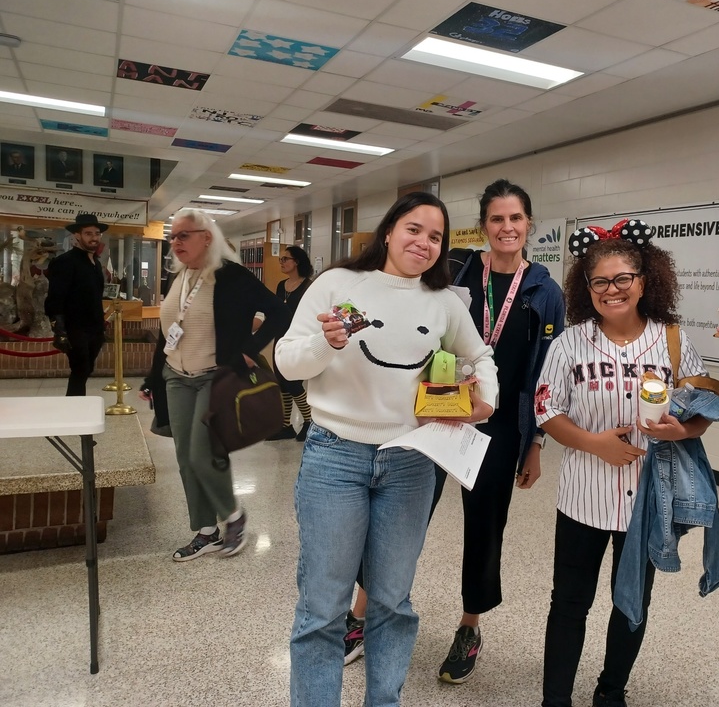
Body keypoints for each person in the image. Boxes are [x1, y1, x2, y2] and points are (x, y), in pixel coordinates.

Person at [275, 191, 499, 707]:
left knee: (393, 602)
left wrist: (483, 401)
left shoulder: (443, 301)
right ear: (390, 229)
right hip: (335, 457)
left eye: (436, 237)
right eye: (414, 229)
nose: (423, 243)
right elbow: (287, 362)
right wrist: (326, 344)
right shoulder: (336, 285)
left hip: (411, 464)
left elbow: (480, 355)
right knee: (323, 608)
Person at [534, 219, 712, 707]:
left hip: (648, 499)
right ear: (585, 287)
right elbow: (546, 409)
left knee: (631, 603)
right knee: (569, 604)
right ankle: (556, 698)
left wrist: (684, 428)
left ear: (643, 282)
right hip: (582, 497)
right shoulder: (570, 343)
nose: (612, 290)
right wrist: (595, 443)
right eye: (600, 281)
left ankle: (611, 691)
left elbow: (703, 410)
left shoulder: (673, 341)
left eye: (622, 280)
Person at [423, 178, 565, 684]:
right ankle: (365, 609)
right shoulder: (455, 270)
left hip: (501, 428)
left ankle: (469, 625)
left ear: (529, 224)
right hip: (437, 408)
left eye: (516, 219)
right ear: (484, 226)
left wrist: (536, 444)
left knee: (484, 528)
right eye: (497, 219)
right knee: (404, 512)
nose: (507, 228)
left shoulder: (545, 292)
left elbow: (548, 373)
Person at [144, 208, 288, 562]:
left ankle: (234, 515)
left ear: (206, 237)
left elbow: (278, 311)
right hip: (176, 377)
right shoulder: (178, 277)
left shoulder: (230, 276)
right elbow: (170, 334)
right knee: (184, 457)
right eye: (172, 237)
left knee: (202, 453)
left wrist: (249, 350)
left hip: (215, 376)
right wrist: (152, 376)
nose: (175, 243)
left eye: (183, 236)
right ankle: (205, 530)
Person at [44, 213, 107, 396]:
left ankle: (76, 407)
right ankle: (74, 409)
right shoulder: (65, 262)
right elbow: (55, 299)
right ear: (77, 235)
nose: (94, 237)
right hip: (75, 328)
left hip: (94, 328)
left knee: (86, 370)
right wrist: (59, 331)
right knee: (80, 370)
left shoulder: (95, 262)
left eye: (97, 233)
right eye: (88, 233)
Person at [268, 246, 315, 441]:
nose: (282, 263)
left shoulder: (308, 286)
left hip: (299, 337)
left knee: (292, 381)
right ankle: (285, 425)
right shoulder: (281, 285)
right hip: (280, 336)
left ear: (297, 262)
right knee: (281, 381)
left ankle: (309, 420)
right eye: (281, 259)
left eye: (285, 259)